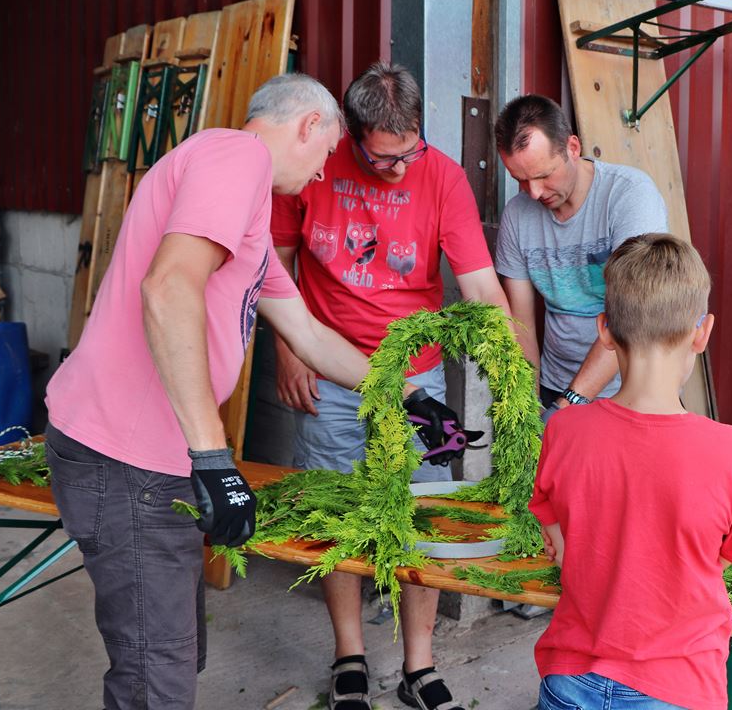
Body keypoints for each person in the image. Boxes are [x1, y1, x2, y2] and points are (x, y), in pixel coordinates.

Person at [43, 74, 471, 710]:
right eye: (327, 152)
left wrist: (406, 394)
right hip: (125, 458)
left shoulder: (245, 216)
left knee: (170, 658)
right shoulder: (234, 155)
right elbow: (168, 288)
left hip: (157, 459)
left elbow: (309, 333)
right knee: (154, 677)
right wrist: (215, 459)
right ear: (308, 125)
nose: (324, 171)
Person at [268, 62, 507, 710]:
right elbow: (278, 261)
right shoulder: (312, 167)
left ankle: (418, 664)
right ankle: (349, 654)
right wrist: (289, 351)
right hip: (329, 373)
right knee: (339, 514)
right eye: (383, 159)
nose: (400, 169)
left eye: (409, 153)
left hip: (418, 377)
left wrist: (507, 369)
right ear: (352, 135)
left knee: (423, 515)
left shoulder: (443, 176)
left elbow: (481, 286)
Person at [530, 232, 732, 710]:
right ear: (702, 332)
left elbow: (557, 536)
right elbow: (722, 559)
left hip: (570, 677)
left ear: (605, 330)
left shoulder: (564, 430)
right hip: (677, 684)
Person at [493, 94, 668, 415]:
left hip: (634, 388)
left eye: (544, 175)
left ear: (572, 147)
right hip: (557, 384)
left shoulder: (630, 196)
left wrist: (570, 403)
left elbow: (632, 315)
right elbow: (522, 326)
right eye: (521, 180)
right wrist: (529, 409)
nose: (534, 192)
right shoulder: (518, 215)